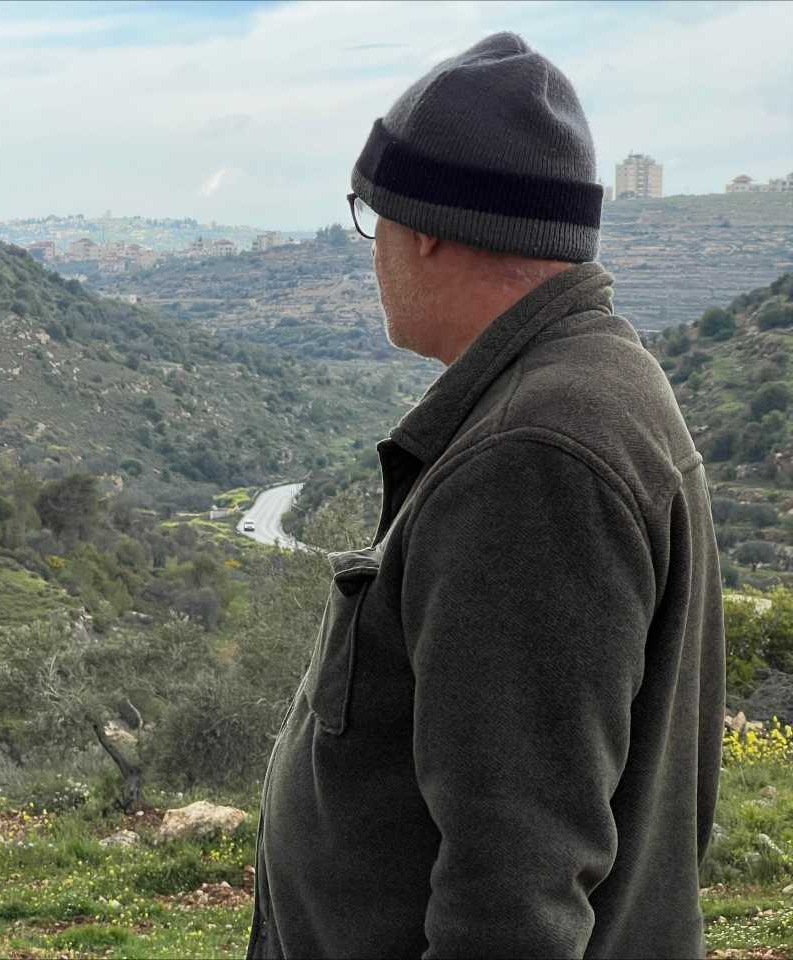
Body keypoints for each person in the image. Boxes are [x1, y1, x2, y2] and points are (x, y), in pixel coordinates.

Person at [248, 32, 725, 959]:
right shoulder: (588, 386)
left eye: (369, 216)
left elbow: (514, 891)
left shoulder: (532, 459)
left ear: (427, 225)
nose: (372, 250)